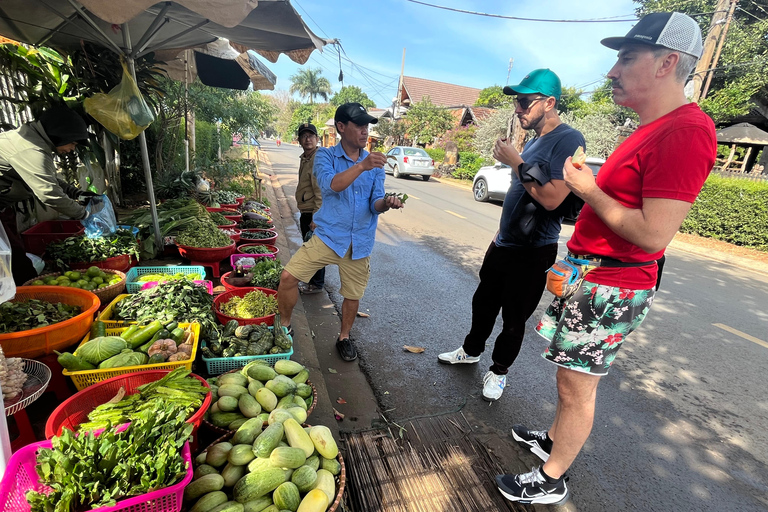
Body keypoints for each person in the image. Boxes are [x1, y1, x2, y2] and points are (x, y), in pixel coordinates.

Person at [496, 12, 717, 505]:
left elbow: (653, 235)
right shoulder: (652, 127)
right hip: (590, 277)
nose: (612, 71)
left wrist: (589, 190)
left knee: (579, 387)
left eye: (626, 57)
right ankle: (553, 440)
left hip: (613, 284)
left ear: (667, 63)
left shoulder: (686, 130)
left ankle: (551, 477)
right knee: (567, 375)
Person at [437, 69, 585, 402]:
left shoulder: (569, 139)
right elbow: (523, 192)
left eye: (523, 101)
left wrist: (514, 160)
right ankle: (471, 351)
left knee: (514, 317)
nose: (517, 108)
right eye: (517, 101)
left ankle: (499, 371)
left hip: (534, 251)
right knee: (483, 302)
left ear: (548, 103)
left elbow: (552, 198)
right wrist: (498, 234)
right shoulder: (534, 142)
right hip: (504, 243)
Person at [276, 103, 404, 361]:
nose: (365, 131)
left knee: (352, 295)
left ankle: (344, 337)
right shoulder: (326, 157)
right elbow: (331, 185)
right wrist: (362, 166)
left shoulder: (375, 165)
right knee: (288, 277)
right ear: (341, 127)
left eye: (367, 126)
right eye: (359, 125)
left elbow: (374, 204)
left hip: (360, 241)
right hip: (328, 236)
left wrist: (387, 203)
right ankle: (285, 327)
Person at [0, 105, 95, 284]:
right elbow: (49, 193)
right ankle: (28, 297)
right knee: (16, 262)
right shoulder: (31, 149)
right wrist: (84, 215)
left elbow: (49, 177)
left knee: (13, 254)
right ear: (62, 134)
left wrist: (76, 193)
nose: (72, 149)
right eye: (73, 143)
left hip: (3, 207)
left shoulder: (35, 141)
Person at [294, 122, 325, 294]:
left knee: (315, 249)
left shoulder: (317, 159)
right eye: (304, 136)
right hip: (306, 210)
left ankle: (316, 284)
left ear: (317, 139)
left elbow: (319, 190)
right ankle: (312, 281)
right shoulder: (305, 157)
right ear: (299, 140)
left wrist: (316, 217)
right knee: (309, 246)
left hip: (312, 212)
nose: (307, 139)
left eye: (311, 136)